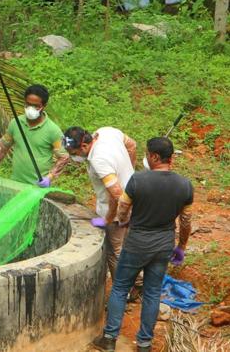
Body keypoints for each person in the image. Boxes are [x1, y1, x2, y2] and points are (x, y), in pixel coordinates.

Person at [92, 137, 193, 352]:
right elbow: (185, 221)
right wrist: (181, 246)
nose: (146, 157)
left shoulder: (138, 180)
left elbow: (122, 207)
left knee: (120, 287)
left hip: (138, 242)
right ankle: (145, 344)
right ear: (171, 157)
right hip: (164, 243)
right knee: (152, 292)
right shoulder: (185, 185)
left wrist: (124, 220)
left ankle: (109, 338)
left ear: (154, 157)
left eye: (147, 154)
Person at [62, 126, 141, 286]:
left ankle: (125, 290)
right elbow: (132, 145)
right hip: (133, 197)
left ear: (84, 146)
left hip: (119, 209)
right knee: (129, 244)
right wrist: (130, 174)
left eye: (74, 153)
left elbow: (116, 194)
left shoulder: (99, 159)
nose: (74, 157)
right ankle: (138, 280)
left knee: (115, 251)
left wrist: (108, 219)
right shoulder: (106, 132)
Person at [0, 84, 69, 187]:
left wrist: (50, 177)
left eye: (36, 106)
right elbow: (3, 147)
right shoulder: (15, 123)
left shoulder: (53, 130)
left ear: (44, 106)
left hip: (38, 187)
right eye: (28, 104)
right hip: (15, 183)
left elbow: (64, 157)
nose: (31, 108)